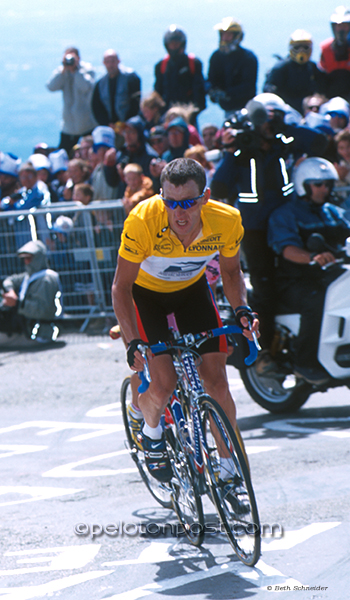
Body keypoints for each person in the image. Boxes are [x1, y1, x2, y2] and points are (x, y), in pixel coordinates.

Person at [112, 157, 259, 490]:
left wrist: (242, 312)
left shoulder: (226, 220)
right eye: (171, 203)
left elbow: (232, 272)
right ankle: (150, 433)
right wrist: (132, 342)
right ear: (161, 197)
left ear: (204, 198)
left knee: (217, 383)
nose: (179, 212)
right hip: (145, 297)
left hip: (192, 293)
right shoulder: (142, 220)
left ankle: (227, 468)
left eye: (188, 203)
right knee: (163, 384)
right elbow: (121, 287)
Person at [210, 93, 328, 349]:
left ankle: (298, 339)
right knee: (264, 289)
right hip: (254, 230)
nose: (267, 125)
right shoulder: (242, 151)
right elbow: (218, 187)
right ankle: (266, 350)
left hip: (285, 223)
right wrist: (230, 150)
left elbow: (319, 142)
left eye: (272, 119)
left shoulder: (282, 143)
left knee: (298, 279)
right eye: (263, 119)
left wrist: (284, 127)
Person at [268, 157, 350, 384]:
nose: (324, 189)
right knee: (315, 301)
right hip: (296, 279)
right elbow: (287, 249)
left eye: (328, 184)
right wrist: (313, 257)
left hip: (331, 275)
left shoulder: (333, 211)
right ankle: (305, 363)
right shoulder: (286, 214)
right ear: (304, 185)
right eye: (318, 184)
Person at [0, 240, 62, 342]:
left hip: (39, 331)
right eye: (24, 259)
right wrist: (11, 291)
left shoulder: (47, 279)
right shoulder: (28, 276)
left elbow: (43, 311)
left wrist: (17, 303)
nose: (26, 262)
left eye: (29, 258)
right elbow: (10, 280)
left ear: (38, 258)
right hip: (26, 326)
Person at [46, 47, 97, 154]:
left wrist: (75, 71)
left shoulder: (87, 69)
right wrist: (63, 71)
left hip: (86, 125)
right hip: (68, 127)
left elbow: (86, 87)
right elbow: (51, 86)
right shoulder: (62, 71)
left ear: (78, 58)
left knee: (89, 154)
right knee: (64, 155)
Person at [263, 30, 325, 114]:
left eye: (305, 47)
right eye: (297, 48)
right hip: (286, 110)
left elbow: (323, 86)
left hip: (308, 110)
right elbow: (269, 90)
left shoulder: (312, 67)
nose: (301, 51)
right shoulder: (281, 68)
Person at [207, 17, 258, 116]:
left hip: (245, 108)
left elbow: (248, 86)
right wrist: (211, 90)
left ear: (237, 37)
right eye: (223, 34)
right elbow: (211, 79)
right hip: (228, 107)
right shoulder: (216, 56)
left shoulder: (248, 58)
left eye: (228, 35)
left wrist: (227, 93)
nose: (225, 38)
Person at [154, 26, 206, 120]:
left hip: (188, 113)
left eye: (176, 44)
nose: (174, 47)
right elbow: (158, 91)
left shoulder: (193, 63)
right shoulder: (161, 65)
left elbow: (199, 91)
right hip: (167, 114)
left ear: (182, 44)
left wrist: (193, 112)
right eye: (171, 44)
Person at [91, 49, 141, 128]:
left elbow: (135, 103)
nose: (110, 65)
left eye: (113, 61)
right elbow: (96, 107)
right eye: (107, 62)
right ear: (104, 63)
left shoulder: (131, 78)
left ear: (118, 61)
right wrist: (106, 123)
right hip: (110, 127)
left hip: (129, 126)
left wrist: (127, 123)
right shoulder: (100, 83)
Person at [319, 5, 350, 100]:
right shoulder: (326, 48)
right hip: (332, 99)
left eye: (344, 26)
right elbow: (321, 77)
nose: (341, 30)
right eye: (338, 26)